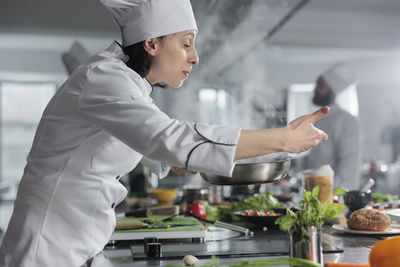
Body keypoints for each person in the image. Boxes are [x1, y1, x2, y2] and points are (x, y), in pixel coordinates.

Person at [0, 0, 329, 266]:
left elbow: (153, 145)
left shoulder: (129, 84)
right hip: (46, 250)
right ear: (152, 43)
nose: (195, 57)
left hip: (80, 242)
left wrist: (181, 160)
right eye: (186, 43)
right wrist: (283, 138)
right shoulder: (103, 77)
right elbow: (170, 139)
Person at [299, 64, 362, 190]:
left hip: (335, 192)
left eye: (320, 86)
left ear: (332, 90)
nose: (315, 89)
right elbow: (318, 157)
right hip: (316, 189)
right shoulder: (320, 118)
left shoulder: (346, 119)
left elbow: (349, 162)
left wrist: (332, 189)